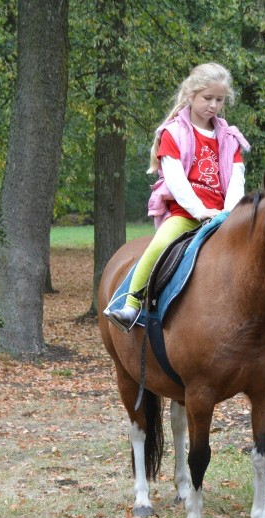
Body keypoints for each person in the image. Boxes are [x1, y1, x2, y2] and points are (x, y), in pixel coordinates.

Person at [104, 62, 250, 326]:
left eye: (219, 99)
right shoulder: (173, 133)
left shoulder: (229, 137)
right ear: (191, 95)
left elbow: (237, 179)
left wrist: (229, 212)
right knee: (159, 245)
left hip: (223, 216)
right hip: (187, 215)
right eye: (208, 98)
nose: (213, 105)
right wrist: (200, 211)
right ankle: (131, 303)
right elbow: (176, 181)